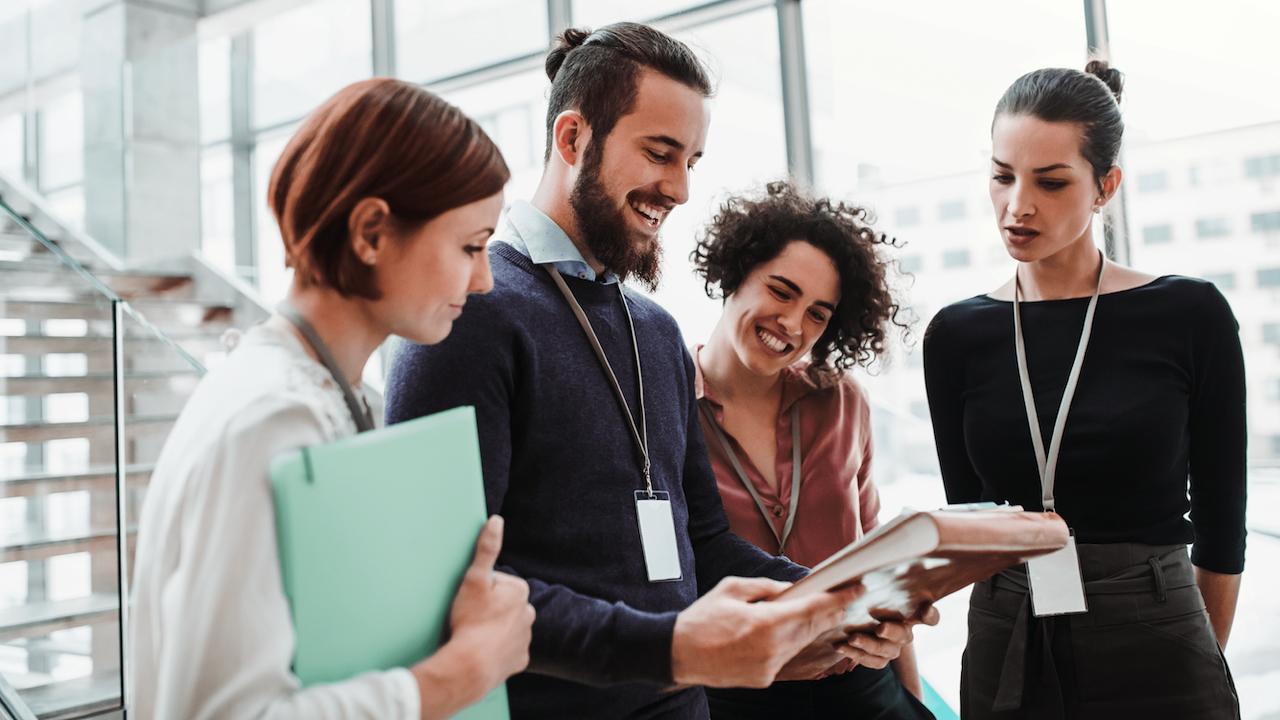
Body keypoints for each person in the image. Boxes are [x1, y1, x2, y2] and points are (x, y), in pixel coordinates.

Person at [384, 23, 916, 719]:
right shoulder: (469, 313)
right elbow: (448, 583)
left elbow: (702, 540)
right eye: (661, 154)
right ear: (573, 140)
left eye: (692, 159)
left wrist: (839, 596)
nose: (681, 188)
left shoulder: (655, 332)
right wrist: (672, 644)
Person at [130, 78, 536, 720]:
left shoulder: (313, 391)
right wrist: (462, 673)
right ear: (372, 232)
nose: (484, 281)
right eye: (469, 247)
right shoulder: (272, 415)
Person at [923, 60, 1245, 719]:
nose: (1018, 204)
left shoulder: (1189, 314)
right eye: (1001, 175)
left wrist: (1197, 650)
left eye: (1050, 181)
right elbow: (970, 519)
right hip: (1008, 625)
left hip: (1155, 625)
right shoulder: (956, 334)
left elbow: (1221, 524)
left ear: (1106, 187)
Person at [689, 181, 935, 720]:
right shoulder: (664, 406)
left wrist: (913, 702)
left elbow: (875, 556)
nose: (794, 325)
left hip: (860, 691)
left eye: (818, 314)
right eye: (781, 291)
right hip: (730, 699)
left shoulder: (841, 401)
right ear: (734, 272)